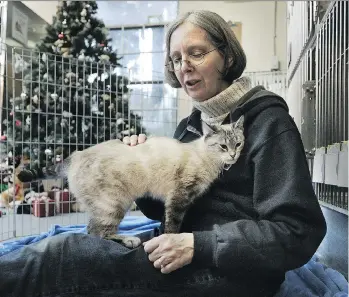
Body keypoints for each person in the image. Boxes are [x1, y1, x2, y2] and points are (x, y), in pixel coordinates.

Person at [0, 10, 326, 297]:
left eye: (196, 53)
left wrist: (200, 245)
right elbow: (164, 210)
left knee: (63, 254)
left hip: (233, 272)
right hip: (180, 247)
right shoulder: (191, 125)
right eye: (176, 59)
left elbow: (296, 230)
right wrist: (136, 169)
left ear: (226, 56)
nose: (184, 67)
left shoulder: (268, 122)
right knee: (80, 246)